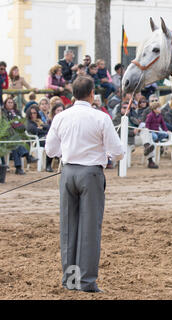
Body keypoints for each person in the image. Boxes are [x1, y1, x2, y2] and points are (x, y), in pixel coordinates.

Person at [45, 76, 124, 293]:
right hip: (91, 174)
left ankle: (70, 280)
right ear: (92, 94)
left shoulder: (61, 117)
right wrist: (107, 156)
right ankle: (87, 281)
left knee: (69, 228)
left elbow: (50, 150)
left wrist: (69, 152)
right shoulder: (101, 117)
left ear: (72, 95)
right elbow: (118, 152)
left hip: (68, 172)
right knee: (89, 229)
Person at [2, 97, 38, 174]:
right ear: (5, 104)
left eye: (12, 102)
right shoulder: (3, 113)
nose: (10, 104)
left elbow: (23, 124)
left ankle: (18, 168)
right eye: (9, 102)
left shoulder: (17, 112)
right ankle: (27, 157)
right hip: (6, 138)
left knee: (15, 146)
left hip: (16, 137)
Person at [25, 105, 54, 172]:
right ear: (29, 114)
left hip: (43, 139)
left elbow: (49, 128)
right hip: (35, 142)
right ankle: (48, 166)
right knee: (50, 144)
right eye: (31, 113)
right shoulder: (28, 122)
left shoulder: (38, 121)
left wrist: (42, 128)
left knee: (52, 143)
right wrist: (43, 129)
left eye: (34, 113)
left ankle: (49, 165)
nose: (33, 115)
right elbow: (34, 130)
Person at [145, 101, 169, 168]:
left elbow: (163, 124)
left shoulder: (160, 116)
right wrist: (148, 131)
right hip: (151, 131)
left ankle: (158, 140)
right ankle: (155, 141)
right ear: (154, 109)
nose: (160, 109)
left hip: (157, 131)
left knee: (165, 135)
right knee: (154, 136)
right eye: (158, 108)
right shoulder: (150, 115)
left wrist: (166, 131)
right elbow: (147, 124)